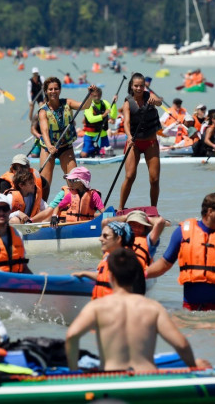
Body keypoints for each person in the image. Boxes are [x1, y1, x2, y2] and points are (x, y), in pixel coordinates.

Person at [66, 248, 208, 372]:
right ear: (136, 276)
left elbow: (72, 336)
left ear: (111, 277)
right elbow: (181, 344)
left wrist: (74, 371)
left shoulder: (97, 307)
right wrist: (193, 367)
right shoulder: (153, 308)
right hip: (146, 377)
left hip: (112, 378)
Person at [146, 193, 215, 313]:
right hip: (191, 312)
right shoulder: (182, 232)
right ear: (210, 212)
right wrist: (142, 275)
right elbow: (165, 264)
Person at [37, 77, 91, 194]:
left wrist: (90, 95)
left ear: (60, 90)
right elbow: (44, 131)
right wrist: (49, 146)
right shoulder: (43, 111)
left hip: (66, 147)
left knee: (75, 181)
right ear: (46, 91)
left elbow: (85, 106)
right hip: (48, 149)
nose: (53, 91)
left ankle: (75, 206)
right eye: (50, 89)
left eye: (56, 89)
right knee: (44, 185)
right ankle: (41, 207)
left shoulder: (68, 103)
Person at [119, 73, 163, 209]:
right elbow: (126, 123)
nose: (139, 88)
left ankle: (153, 209)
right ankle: (121, 208)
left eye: (141, 86)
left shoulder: (149, 96)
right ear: (131, 86)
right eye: (136, 86)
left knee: (154, 179)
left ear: (145, 86)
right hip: (134, 143)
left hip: (150, 143)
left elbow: (160, 102)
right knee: (130, 176)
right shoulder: (127, 102)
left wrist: (154, 102)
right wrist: (129, 136)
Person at [72, 221, 134, 299]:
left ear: (118, 239)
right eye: (101, 235)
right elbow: (105, 276)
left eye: (105, 236)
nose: (100, 239)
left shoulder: (124, 260)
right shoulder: (110, 256)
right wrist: (84, 273)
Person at [80, 86, 117, 157]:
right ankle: (82, 155)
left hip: (102, 135)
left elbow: (113, 116)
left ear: (101, 95)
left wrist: (114, 103)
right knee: (84, 154)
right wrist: (103, 115)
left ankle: (99, 153)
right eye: (95, 96)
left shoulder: (105, 103)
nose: (97, 97)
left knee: (107, 154)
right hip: (90, 135)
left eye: (99, 95)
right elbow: (91, 119)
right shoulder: (88, 105)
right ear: (91, 95)